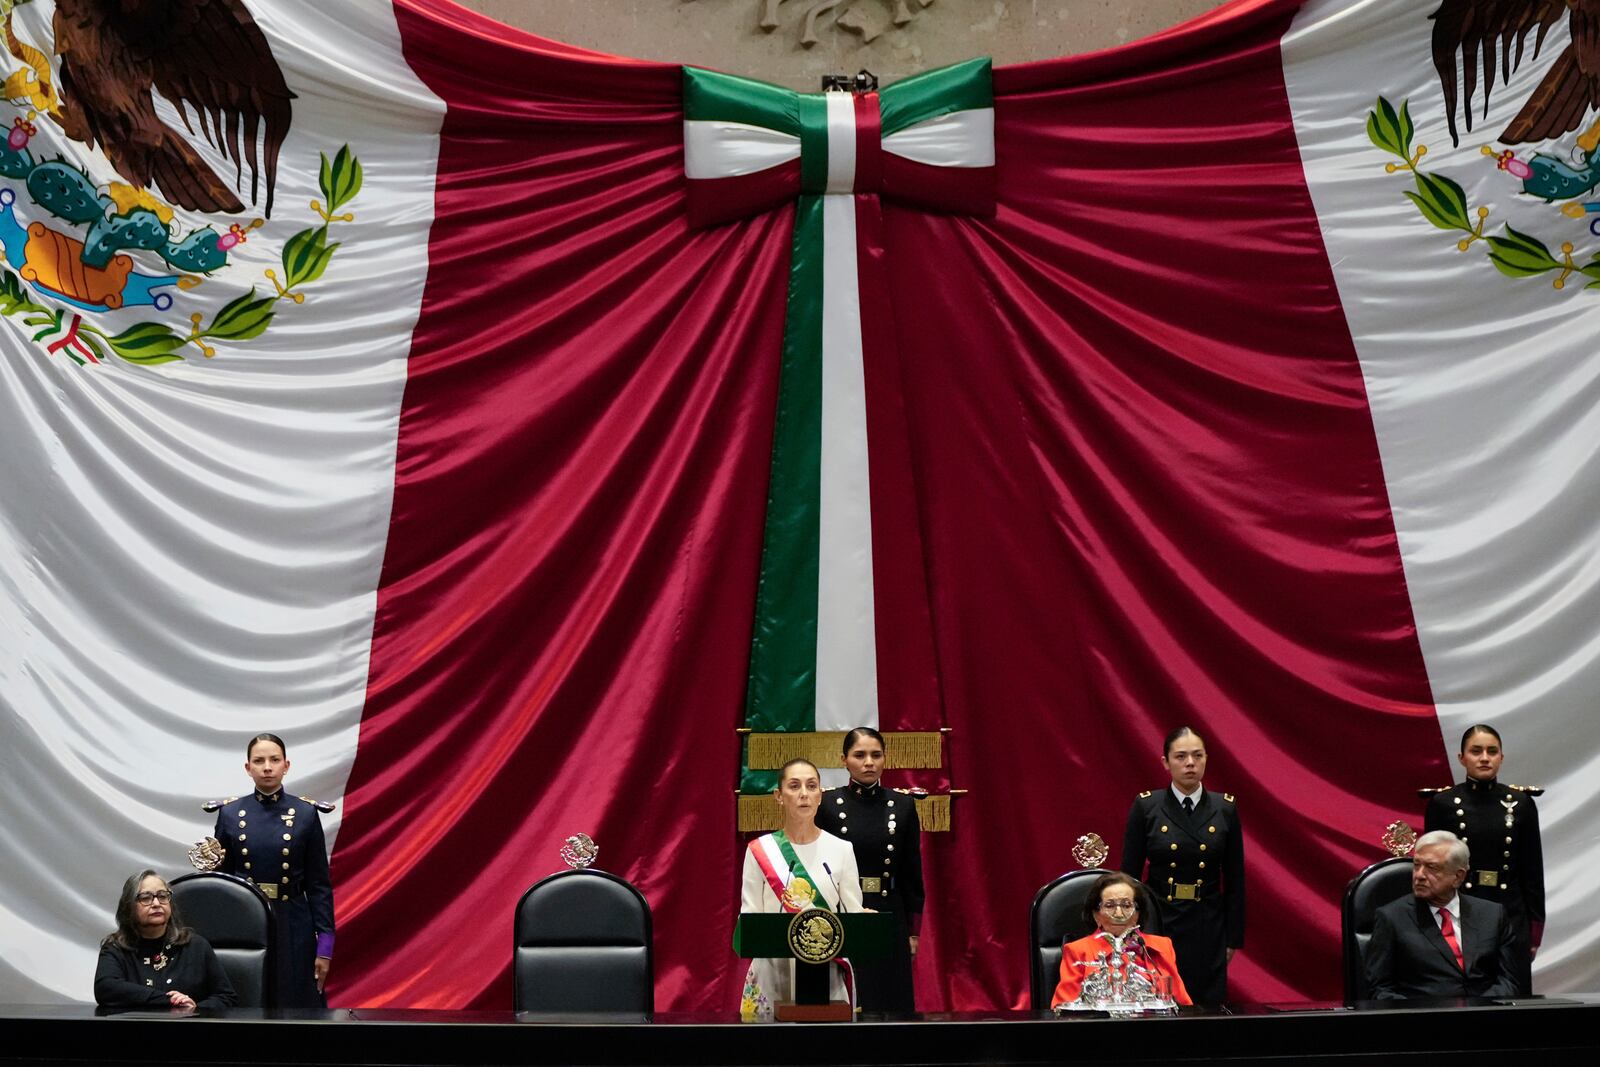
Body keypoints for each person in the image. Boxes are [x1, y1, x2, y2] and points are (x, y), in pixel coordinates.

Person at [204, 733, 335, 1008]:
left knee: (294, 1002)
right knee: (248, 997)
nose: (267, 767)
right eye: (259, 760)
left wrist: (325, 947)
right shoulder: (230, 813)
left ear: (286, 765)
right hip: (246, 919)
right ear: (247, 767)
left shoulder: (305, 813)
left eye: (274, 760)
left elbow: (319, 885)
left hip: (293, 920)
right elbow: (221, 883)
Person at [1120, 725, 1243, 1003]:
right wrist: (1130, 932)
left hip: (1207, 923)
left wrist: (1232, 938)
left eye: (1197, 756)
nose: (1190, 763)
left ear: (1206, 758)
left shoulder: (1224, 808)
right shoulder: (1147, 807)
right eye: (1181, 756)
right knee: (1160, 1001)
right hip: (1160, 919)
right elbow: (1129, 878)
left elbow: (1235, 879)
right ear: (1165, 762)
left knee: (1205, 1004)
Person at [738, 757, 864, 1021]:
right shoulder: (760, 851)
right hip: (773, 970)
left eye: (811, 786)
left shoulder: (842, 849)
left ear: (820, 795)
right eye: (794, 786)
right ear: (779, 796)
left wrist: (866, 918)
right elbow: (750, 920)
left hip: (825, 971)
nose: (804, 794)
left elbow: (854, 916)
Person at [1423, 723, 1543, 993]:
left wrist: (1534, 930)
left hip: (1510, 912)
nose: (1484, 757)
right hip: (1461, 912)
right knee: (1467, 992)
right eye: (1476, 751)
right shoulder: (1443, 804)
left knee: (1514, 995)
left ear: (1502, 757)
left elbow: (1532, 872)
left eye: (1492, 751)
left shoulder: (1521, 803)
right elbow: (1433, 870)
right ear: (1461, 758)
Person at [820, 726, 923, 1013]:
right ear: (844, 760)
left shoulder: (902, 805)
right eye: (860, 755)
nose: (869, 762)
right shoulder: (827, 804)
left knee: (890, 1000)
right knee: (849, 995)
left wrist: (913, 932)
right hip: (843, 910)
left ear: (885, 759)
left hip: (888, 910)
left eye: (876, 755)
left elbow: (911, 874)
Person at [1365, 830, 1520, 999]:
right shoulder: (1392, 917)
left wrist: (1480, 1009)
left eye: (1432, 867)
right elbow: (1379, 990)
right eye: (1417, 865)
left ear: (1458, 876)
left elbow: (1509, 980)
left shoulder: (1492, 914)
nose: (1419, 875)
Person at [94, 870, 236, 1011]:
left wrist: (194, 1009)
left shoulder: (196, 946)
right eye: (145, 898)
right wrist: (170, 1001)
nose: (156, 903)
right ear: (129, 906)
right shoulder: (116, 948)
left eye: (163, 896)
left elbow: (225, 997)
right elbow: (106, 988)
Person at [1052, 871, 1191, 1009]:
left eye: (1126, 905)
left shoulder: (1161, 947)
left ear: (1137, 913)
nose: (1119, 914)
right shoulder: (1077, 951)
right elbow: (1063, 1011)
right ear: (1096, 915)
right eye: (1109, 906)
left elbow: (1184, 1008)